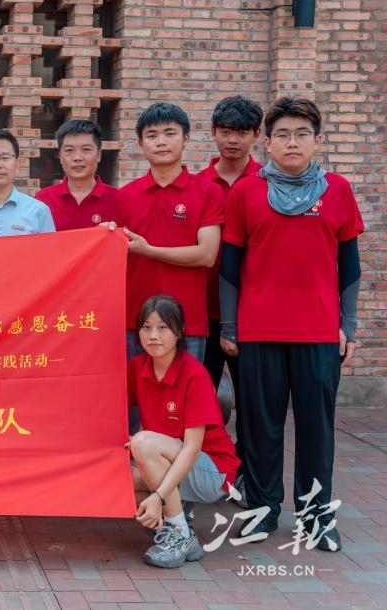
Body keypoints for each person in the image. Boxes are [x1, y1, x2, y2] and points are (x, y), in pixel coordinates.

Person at [220, 97, 362, 552]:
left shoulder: (337, 190)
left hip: (318, 332)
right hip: (259, 331)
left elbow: (349, 265)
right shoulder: (246, 193)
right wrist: (230, 327)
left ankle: (316, 516)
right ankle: (262, 510)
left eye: (301, 134)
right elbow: (229, 268)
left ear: (316, 140)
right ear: (267, 141)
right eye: (282, 134)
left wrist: (348, 325)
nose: (292, 142)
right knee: (260, 429)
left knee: (317, 430)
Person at [128, 295, 240, 568]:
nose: (153, 336)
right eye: (146, 327)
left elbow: (192, 448)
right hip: (170, 460)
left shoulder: (195, 375)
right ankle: (176, 515)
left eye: (162, 328)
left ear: (179, 332)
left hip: (211, 470)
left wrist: (158, 497)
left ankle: (179, 532)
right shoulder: (137, 367)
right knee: (121, 486)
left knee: (142, 444)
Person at [114, 102, 223, 362]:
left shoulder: (208, 192)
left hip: (187, 322)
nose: (161, 142)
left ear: (185, 139)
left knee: (185, 389)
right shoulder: (124, 196)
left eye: (169, 133)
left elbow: (207, 255)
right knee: (136, 390)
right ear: (140, 144)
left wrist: (149, 250)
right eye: (152, 135)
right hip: (136, 321)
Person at [195, 96, 263, 499]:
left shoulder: (269, 183)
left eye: (241, 132)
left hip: (252, 315)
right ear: (213, 133)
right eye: (225, 131)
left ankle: (248, 473)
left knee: (253, 402)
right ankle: (205, 472)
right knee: (199, 401)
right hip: (202, 312)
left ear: (257, 135)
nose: (232, 139)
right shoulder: (198, 185)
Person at [34, 119, 117, 230]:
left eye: (86, 149)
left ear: (99, 155)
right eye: (69, 150)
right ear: (60, 156)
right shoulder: (42, 199)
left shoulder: (118, 199)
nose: (77, 158)